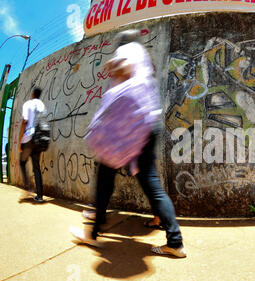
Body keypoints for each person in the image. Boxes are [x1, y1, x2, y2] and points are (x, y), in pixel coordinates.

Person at [70, 30, 186, 258]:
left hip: (125, 130)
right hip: (148, 124)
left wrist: (113, 66)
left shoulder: (127, 50)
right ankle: (175, 242)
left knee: (104, 179)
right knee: (151, 184)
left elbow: (124, 69)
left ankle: (93, 232)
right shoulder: (143, 55)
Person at [19, 87, 45, 203]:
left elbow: (24, 122)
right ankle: (39, 196)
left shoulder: (28, 104)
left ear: (33, 94)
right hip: (39, 139)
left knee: (22, 162)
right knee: (36, 167)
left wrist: (20, 141)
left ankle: (28, 187)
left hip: (29, 138)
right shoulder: (42, 106)